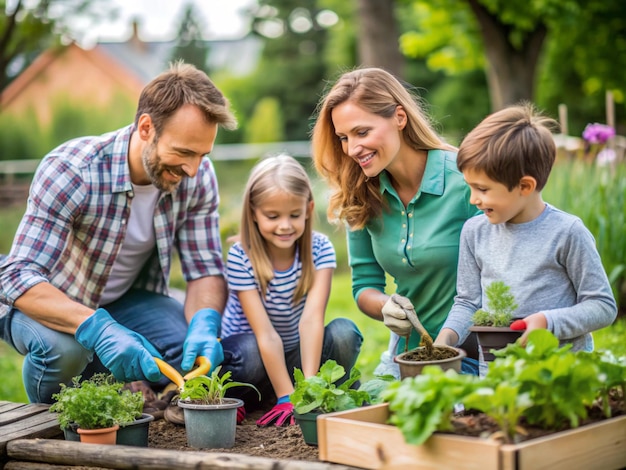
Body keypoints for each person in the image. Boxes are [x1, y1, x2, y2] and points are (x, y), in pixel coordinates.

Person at [0, 61, 237, 404]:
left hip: (125, 299)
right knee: (65, 351)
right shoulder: (73, 170)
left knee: (186, 347)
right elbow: (16, 276)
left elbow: (205, 269)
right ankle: (48, 416)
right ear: (145, 128)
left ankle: (106, 373)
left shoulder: (198, 176)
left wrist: (205, 323)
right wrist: (99, 328)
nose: (193, 169)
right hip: (43, 300)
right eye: (184, 152)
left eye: (202, 154)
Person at [311, 67, 481, 377]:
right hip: (409, 356)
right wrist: (385, 305)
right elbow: (364, 286)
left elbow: (504, 277)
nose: (351, 149)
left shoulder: (466, 182)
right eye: (343, 138)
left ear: (399, 118)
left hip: (475, 353)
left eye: (362, 132)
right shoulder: (360, 194)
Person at [435, 103, 618, 368]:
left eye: (483, 189)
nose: (474, 199)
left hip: (562, 376)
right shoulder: (474, 232)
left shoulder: (567, 232)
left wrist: (548, 322)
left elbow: (602, 306)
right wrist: (446, 339)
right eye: (470, 187)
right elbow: (468, 302)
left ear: (525, 186)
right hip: (498, 379)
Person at [219, 154, 363, 427]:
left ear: (308, 209)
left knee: (344, 332)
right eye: (272, 216)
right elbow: (265, 334)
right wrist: (288, 395)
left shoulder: (320, 249)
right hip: (252, 358)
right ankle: (244, 398)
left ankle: (318, 395)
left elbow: (311, 322)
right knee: (247, 351)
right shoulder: (241, 256)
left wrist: (307, 390)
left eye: (294, 215)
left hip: (294, 352)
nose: (285, 225)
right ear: (253, 212)